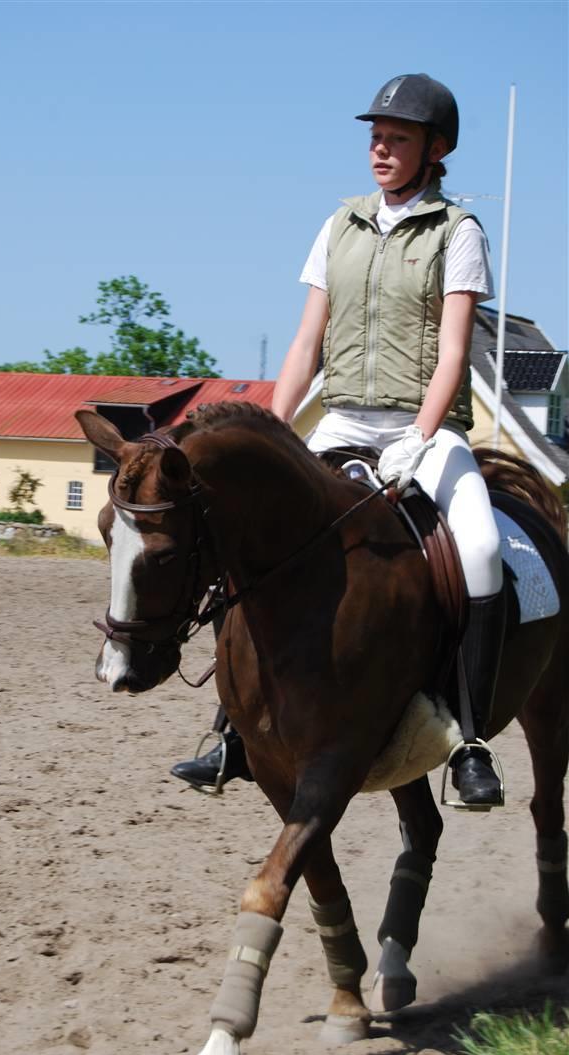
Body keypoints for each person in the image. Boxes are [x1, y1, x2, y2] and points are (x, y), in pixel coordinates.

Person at [171, 73, 504, 809]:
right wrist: (265, 429)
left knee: (479, 550)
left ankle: (471, 741)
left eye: (399, 138)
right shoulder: (339, 225)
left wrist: (421, 437)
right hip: (343, 418)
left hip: (424, 428)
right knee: (249, 536)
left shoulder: (459, 232)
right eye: (375, 136)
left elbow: (454, 353)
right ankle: (231, 729)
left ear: (435, 148)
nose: (381, 149)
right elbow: (304, 343)